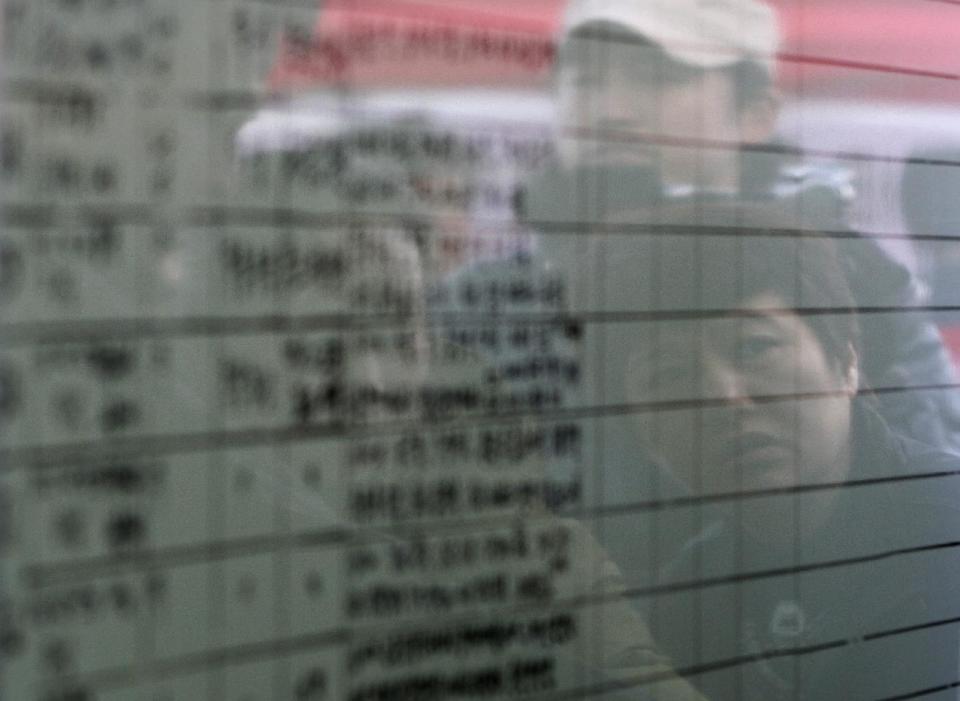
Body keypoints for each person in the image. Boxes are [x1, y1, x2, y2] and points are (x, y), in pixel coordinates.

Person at [523, 0, 960, 451]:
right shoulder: (498, 294)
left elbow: (938, 472)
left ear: (755, 114)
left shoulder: (858, 277)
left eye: (658, 78)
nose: (610, 111)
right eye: (585, 81)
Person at [569, 202, 960, 699]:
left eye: (754, 347)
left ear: (845, 363)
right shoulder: (689, 592)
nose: (725, 397)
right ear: (641, 432)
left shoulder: (946, 532)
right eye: (669, 375)